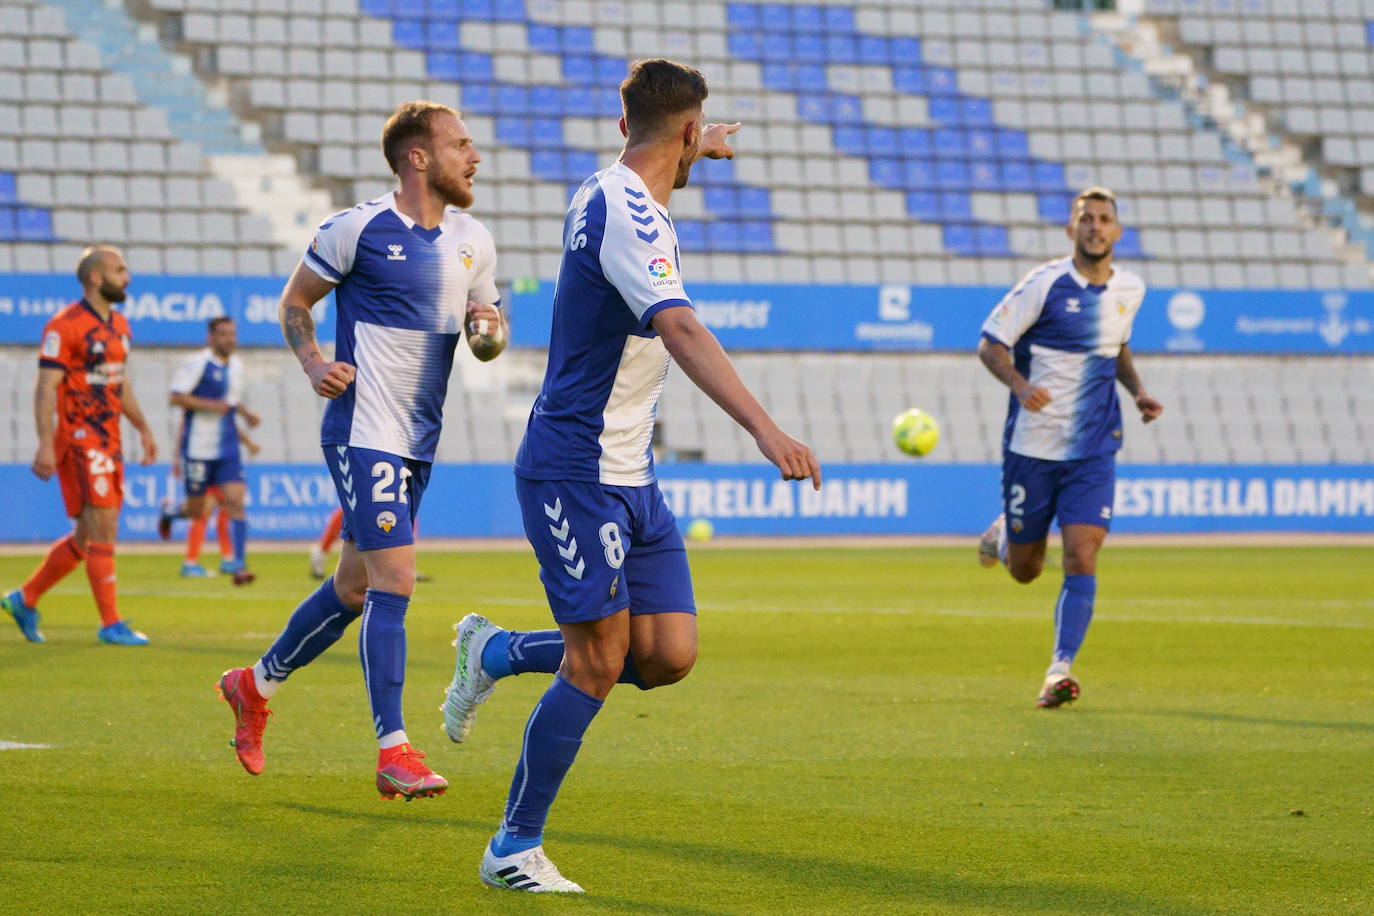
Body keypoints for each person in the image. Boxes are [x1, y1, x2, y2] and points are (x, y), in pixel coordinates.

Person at [439, 59, 821, 893]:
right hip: (575, 467)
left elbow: (655, 169)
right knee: (599, 661)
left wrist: (695, 146)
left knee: (668, 654)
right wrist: (765, 428)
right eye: (697, 135)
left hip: (629, 472)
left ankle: (495, 650)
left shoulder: (610, 188)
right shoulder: (627, 213)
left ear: (624, 128)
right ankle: (511, 846)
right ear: (682, 132)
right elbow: (678, 328)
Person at [215, 100, 507, 801]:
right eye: (461, 145)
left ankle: (251, 686)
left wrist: (487, 325)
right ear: (418, 157)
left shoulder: (475, 240)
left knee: (353, 588)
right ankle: (394, 750)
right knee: (395, 582)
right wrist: (314, 362)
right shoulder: (357, 229)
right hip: (361, 430)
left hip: (417, 440)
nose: (474, 157)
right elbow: (295, 303)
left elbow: (491, 337)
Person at [974, 187, 1163, 708]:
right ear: (1071, 229)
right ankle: (1007, 538)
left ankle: (1059, 670)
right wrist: (1019, 386)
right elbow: (991, 343)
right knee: (1027, 571)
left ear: (1118, 232)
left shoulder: (1131, 288)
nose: (1096, 227)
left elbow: (1116, 345)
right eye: (1086, 218)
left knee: (1082, 554)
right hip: (1032, 448)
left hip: (1094, 447)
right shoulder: (1045, 283)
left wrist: (1139, 391)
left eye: (1104, 219)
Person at [2, 245, 159, 645]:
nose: (128, 277)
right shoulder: (64, 326)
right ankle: (111, 624)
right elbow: (44, 388)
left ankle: (26, 598)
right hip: (79, 437)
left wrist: (142, 427)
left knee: (90, 533)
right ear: (95, 278)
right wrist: (44, 444)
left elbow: (118, 385)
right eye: (120, 270)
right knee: (103, 523)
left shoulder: (121, 326)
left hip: (109, 439)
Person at [158, 317, 260, 584]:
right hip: (199, 447)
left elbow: (231, 403)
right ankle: (170, 513)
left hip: (227, 447)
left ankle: (239, 565)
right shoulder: (198, 363)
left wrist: (247, 416)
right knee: (197, 510)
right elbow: (176, 396)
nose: (230, 339)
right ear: (211, 338)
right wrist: (211, 405)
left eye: (233, 334)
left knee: (235, 500)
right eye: (224, 334)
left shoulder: (237, 366)